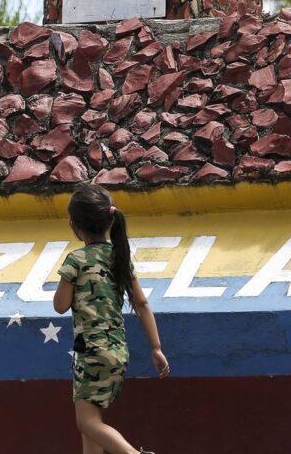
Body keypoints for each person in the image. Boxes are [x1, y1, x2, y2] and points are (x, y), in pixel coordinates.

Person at [54, 183, 169, 454]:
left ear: (75, 225)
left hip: (91, 352)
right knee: (92, 424)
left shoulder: (76, 259)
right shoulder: (120, 258)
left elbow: (60, 305)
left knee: (87, 422)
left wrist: (67, 280)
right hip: (117, 352)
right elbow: (142, 303)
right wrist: (156, 348)